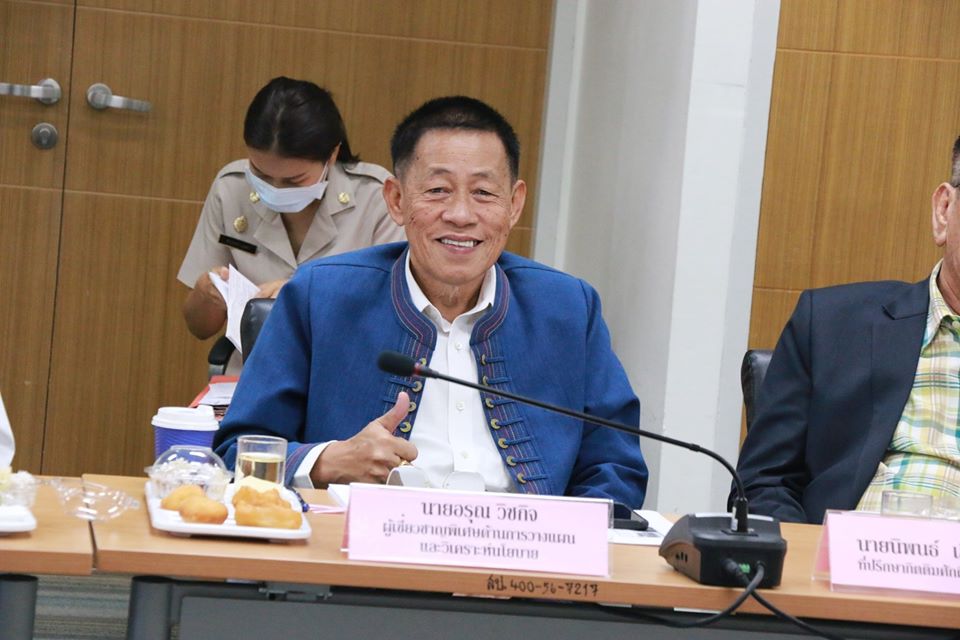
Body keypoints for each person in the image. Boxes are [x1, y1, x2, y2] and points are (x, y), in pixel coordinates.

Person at [214, 96, 648, 508]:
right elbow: (238, 450)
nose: (460, 214)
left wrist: (568, 539)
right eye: (438, 190)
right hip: (367, 550)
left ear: (514, 205)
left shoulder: (568, 308)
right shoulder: (319, 297)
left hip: (523, 551)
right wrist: (328, 461)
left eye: (483, 193)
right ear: (397, 200)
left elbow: (616, 466)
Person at [734, 137, 960, 524]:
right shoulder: (830, 324)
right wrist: (807, 555)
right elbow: (763, 484)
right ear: (944, 210)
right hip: (853, 553)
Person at [178, 76, 404, 342]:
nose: (275, 188)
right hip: (254, 362)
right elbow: (199, 328)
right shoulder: (231, 188)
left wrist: (305, 296)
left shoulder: (376, 197)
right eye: (260, 173)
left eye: (294, 180)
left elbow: (393, 316)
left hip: (342, 359)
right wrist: (205, 295)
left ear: (332, 156)